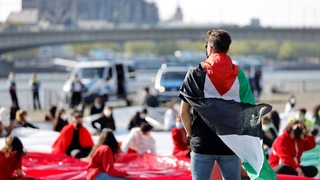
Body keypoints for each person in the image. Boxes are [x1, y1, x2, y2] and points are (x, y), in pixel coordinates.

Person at [179, 30, 256, 180]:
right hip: (230, 144)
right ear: (227, 49)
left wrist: (190, 134)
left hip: (202, 144)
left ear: (210, 48)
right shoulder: (239, 76)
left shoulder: (195, 74)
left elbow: (183, 113)